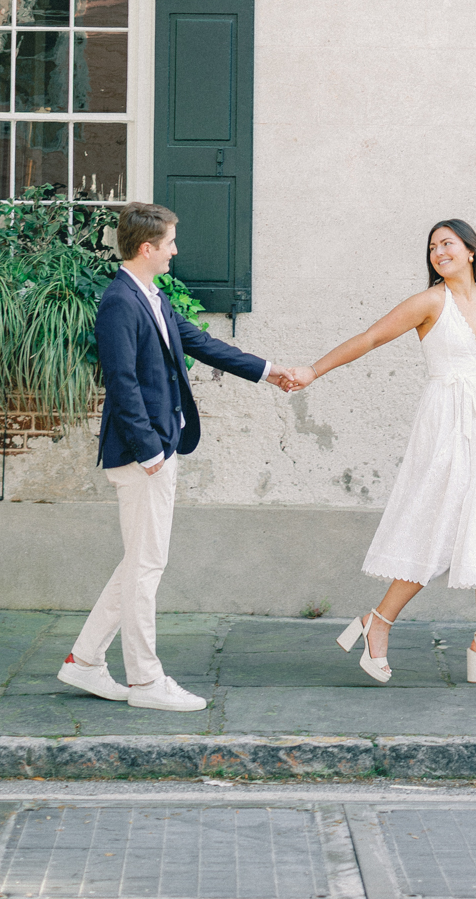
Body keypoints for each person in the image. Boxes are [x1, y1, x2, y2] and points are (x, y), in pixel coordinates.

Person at [286, 218, 476, 686]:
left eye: (448, 244)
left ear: (471, 251)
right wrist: (313, 371)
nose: (439, 252)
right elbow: (371, 338)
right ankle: (378, 620)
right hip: (447, 424)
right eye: (433, 247)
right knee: (437, 525)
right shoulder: (428, 302)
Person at [60, 201, 295, 712]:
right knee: (146, 568)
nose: (175, 250)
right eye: (169, 243)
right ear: (147, 248)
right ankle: (145, 682)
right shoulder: (120, 302)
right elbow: (120, 383)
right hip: (144, 455)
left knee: (138, 563)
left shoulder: (149, 294)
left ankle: (84, 661)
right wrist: (149, 453)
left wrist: (268, 370)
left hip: (158, 448)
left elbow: (201, 343)